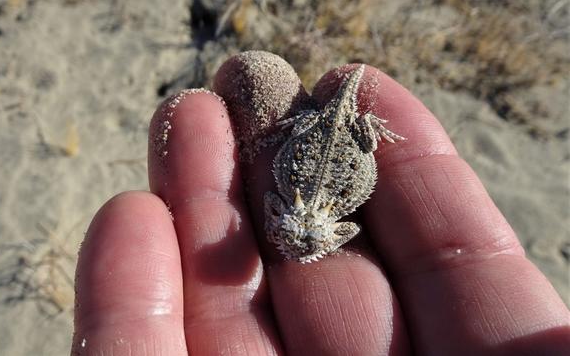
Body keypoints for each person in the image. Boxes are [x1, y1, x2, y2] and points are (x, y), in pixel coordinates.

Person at [71, 61, 570, 355]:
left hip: (335, 143)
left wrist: (363, 132)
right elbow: (275, 204)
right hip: (320, 144)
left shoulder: (334, 219)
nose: (291, 248)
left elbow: (347, 229)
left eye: (298, 243)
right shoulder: (284, 199)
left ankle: (358, 117)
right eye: (290, 239)